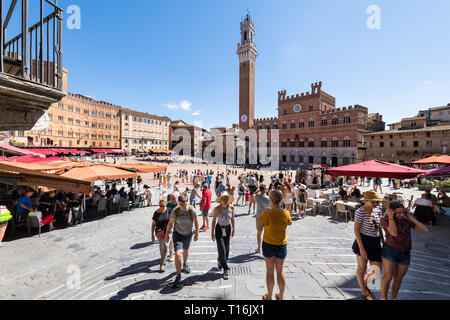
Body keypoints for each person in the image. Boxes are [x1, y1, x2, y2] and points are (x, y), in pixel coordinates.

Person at [380, 202, 429, 300]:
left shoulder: (406, 220)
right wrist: (390, 217)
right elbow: (393, 233)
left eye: (403, 212)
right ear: (392, 212)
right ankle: (384, 298)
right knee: (388, 276)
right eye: (399, 213)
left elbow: (425, 230)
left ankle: (393, 298)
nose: (402, 215)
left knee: (398, 278)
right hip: (390, 251)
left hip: (405, 253)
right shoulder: (385, 220)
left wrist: (410, 217)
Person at [257, 190, 292, 301]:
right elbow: (289, 222)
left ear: (270, 200)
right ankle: (281, 296)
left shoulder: (266, 214)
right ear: (281, 200)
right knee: (280, 271)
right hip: (281, 245)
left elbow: (259, 227)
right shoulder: (285, 213)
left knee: (270, 271)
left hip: (268, 244)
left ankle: (269, 296)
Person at [352, 191, 384, 300]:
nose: (375, 204)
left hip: (375, 242)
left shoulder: (379, 211)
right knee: (362, 267)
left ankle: (365, 283)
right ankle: (363, 289)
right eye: (373, 202)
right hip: (363, 241)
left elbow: (379, 226)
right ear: (366, 201)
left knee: (377, 270)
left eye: (377, 202)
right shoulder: (360, 212)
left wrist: (382, 239)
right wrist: (361, 248)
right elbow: (356, 230)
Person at [165, 193, 199, 288]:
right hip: (177, 234)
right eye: (182, 204)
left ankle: (185, 264)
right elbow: (170, 223)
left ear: (187, 201)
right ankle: (178, 275)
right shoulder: (175, 211)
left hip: (188, 234)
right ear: (179, 203)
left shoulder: (191, 210)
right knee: (178, 254)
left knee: (186, 251)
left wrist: (197, 233)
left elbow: (196, 222)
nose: (184, 205)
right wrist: (167, 234)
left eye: (185, 203)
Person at [211, 192, 235, 280]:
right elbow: (213, 221)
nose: (224, 200)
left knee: (226, 248)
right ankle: (226, 269)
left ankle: (220, 260)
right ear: (220, 200)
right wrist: (212, 233)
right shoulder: (217, 209)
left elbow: (232, 219)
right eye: (223, 198)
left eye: (226, 198)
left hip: (228, 229)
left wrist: (233, 230)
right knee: (221, 248)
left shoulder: (231, 207)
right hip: (219, 229)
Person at [152, 199, 172, 273]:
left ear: (166, 205)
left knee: (165, 246)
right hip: (159, 233)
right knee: (161, 247)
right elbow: (153, 224)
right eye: (160, 206)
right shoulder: (156, 213)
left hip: (168, 232)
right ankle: (163, 257)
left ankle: (162, 264)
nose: (162, 207)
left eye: (163, 206)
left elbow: (173, 220)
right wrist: (152, 235)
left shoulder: (170, 210)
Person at [253, 185, 271, 253]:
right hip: (266, 217)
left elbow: (253, 194)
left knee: (259, 232)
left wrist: (258, 190)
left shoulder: (257, 197)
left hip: (259, 217)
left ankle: (259, 247)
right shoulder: (268, 198)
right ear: (264, 190)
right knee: (267, 233)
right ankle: (266, 248)